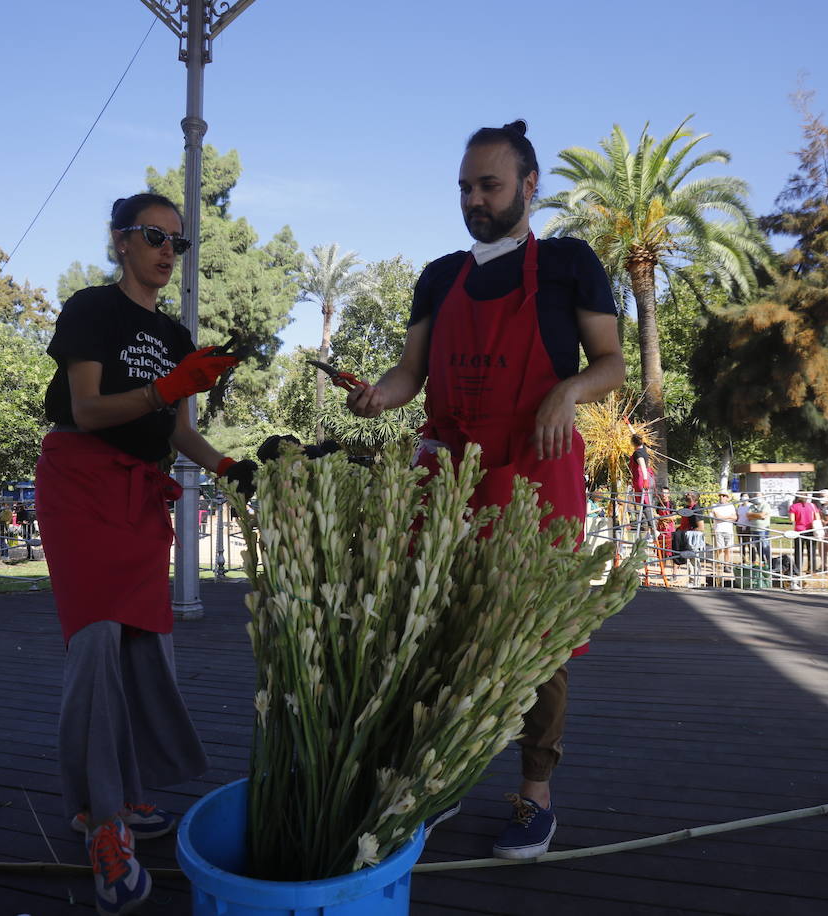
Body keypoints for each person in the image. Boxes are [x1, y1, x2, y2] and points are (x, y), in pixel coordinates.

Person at [345, 120, 624, 860]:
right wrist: (380, 395)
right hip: (449, 472)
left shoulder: (568, 263)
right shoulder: (440, 275)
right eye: (465, 187)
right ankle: (444, 776)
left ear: (530, 186)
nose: (473, 198)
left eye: (488, 184)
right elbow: (412, 375)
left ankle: (535, 794)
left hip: (538, 465)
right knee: (435, 622)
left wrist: (568, 392)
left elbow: (612, 363)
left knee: (541, 638)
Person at [35, 191, 256, 915]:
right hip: (79, 483)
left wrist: (230, 467)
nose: (168, 251)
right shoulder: (90, 308)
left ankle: (125, 795)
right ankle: (101, 823)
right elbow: (89, 408)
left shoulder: (174, 334)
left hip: (137, 495)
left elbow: (175, 430)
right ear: (120, 240)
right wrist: (168, 385)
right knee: (96, 642)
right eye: (154, 236)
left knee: (143, 649)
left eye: (178, 243)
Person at [675, 492, 707, 588]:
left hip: (693, 538)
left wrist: (689, 532)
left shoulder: (696, 510)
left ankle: (695, 582)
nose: (687, 500)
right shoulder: (687, 508)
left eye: (689, 498)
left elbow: (701, 527)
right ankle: (692, 580)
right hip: (686, 536)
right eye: (686, 498)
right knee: (689, 561)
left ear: (695, 500)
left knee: (693, 560)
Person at [628, 433, 655, 535]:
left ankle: (653, 528)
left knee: (645, 504)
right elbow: (636, 435)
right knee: (645, 503)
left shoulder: (638, 453)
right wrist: (629, 425)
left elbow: (643, 466)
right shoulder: (643, 448)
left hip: (641, 479)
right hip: (646, 477)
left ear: (633, 442)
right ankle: (652, 528)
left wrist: (644, 480)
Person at [789, 493, 819, 575]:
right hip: (811, 529)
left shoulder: (794, 507)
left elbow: (792, 519)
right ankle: (812, 569)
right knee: (812, 551)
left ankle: (798, 569)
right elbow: (817, 517)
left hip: (799, 531)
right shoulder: (812, 506)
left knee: (798, 551)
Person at [709, 491, 738, 576]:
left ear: (727, 497)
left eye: (724, 496)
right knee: (719, 548)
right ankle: (717, 563)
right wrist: (729, 517)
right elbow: (717, 517)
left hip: (728, 530)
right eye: (721, 495)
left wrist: (724, 517)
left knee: (728, 549)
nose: (722, 497)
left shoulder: (731, 506)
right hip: (719, 530)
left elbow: (735, 517)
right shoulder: (715, 506)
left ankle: (727, 565)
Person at [744, 492, 773, 567]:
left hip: (763, 530)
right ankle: (763, 562)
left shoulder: (765, 505)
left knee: (765, 546)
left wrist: (754, 515)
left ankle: (769, 562)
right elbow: (748, 516)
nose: (757, 498)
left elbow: (762, 515)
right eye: (756, 496)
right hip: (754, 529)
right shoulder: (752, 506)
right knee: (758, 547)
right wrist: (758, 516)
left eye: (759, 496)